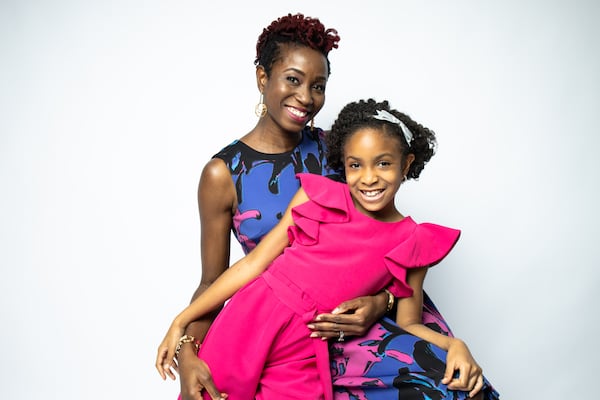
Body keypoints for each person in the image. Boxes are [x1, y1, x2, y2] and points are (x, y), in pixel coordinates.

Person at [167, 13, 491, 400]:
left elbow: (376, 242)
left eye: (318, 86)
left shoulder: (342, 149)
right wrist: (187, 348)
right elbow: (214, 279)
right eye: (293, 79)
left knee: (458, 387)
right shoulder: (223, 173)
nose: (306, 97)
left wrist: (380, 303)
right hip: (278, 328)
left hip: (361, 324)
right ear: (262, 78)